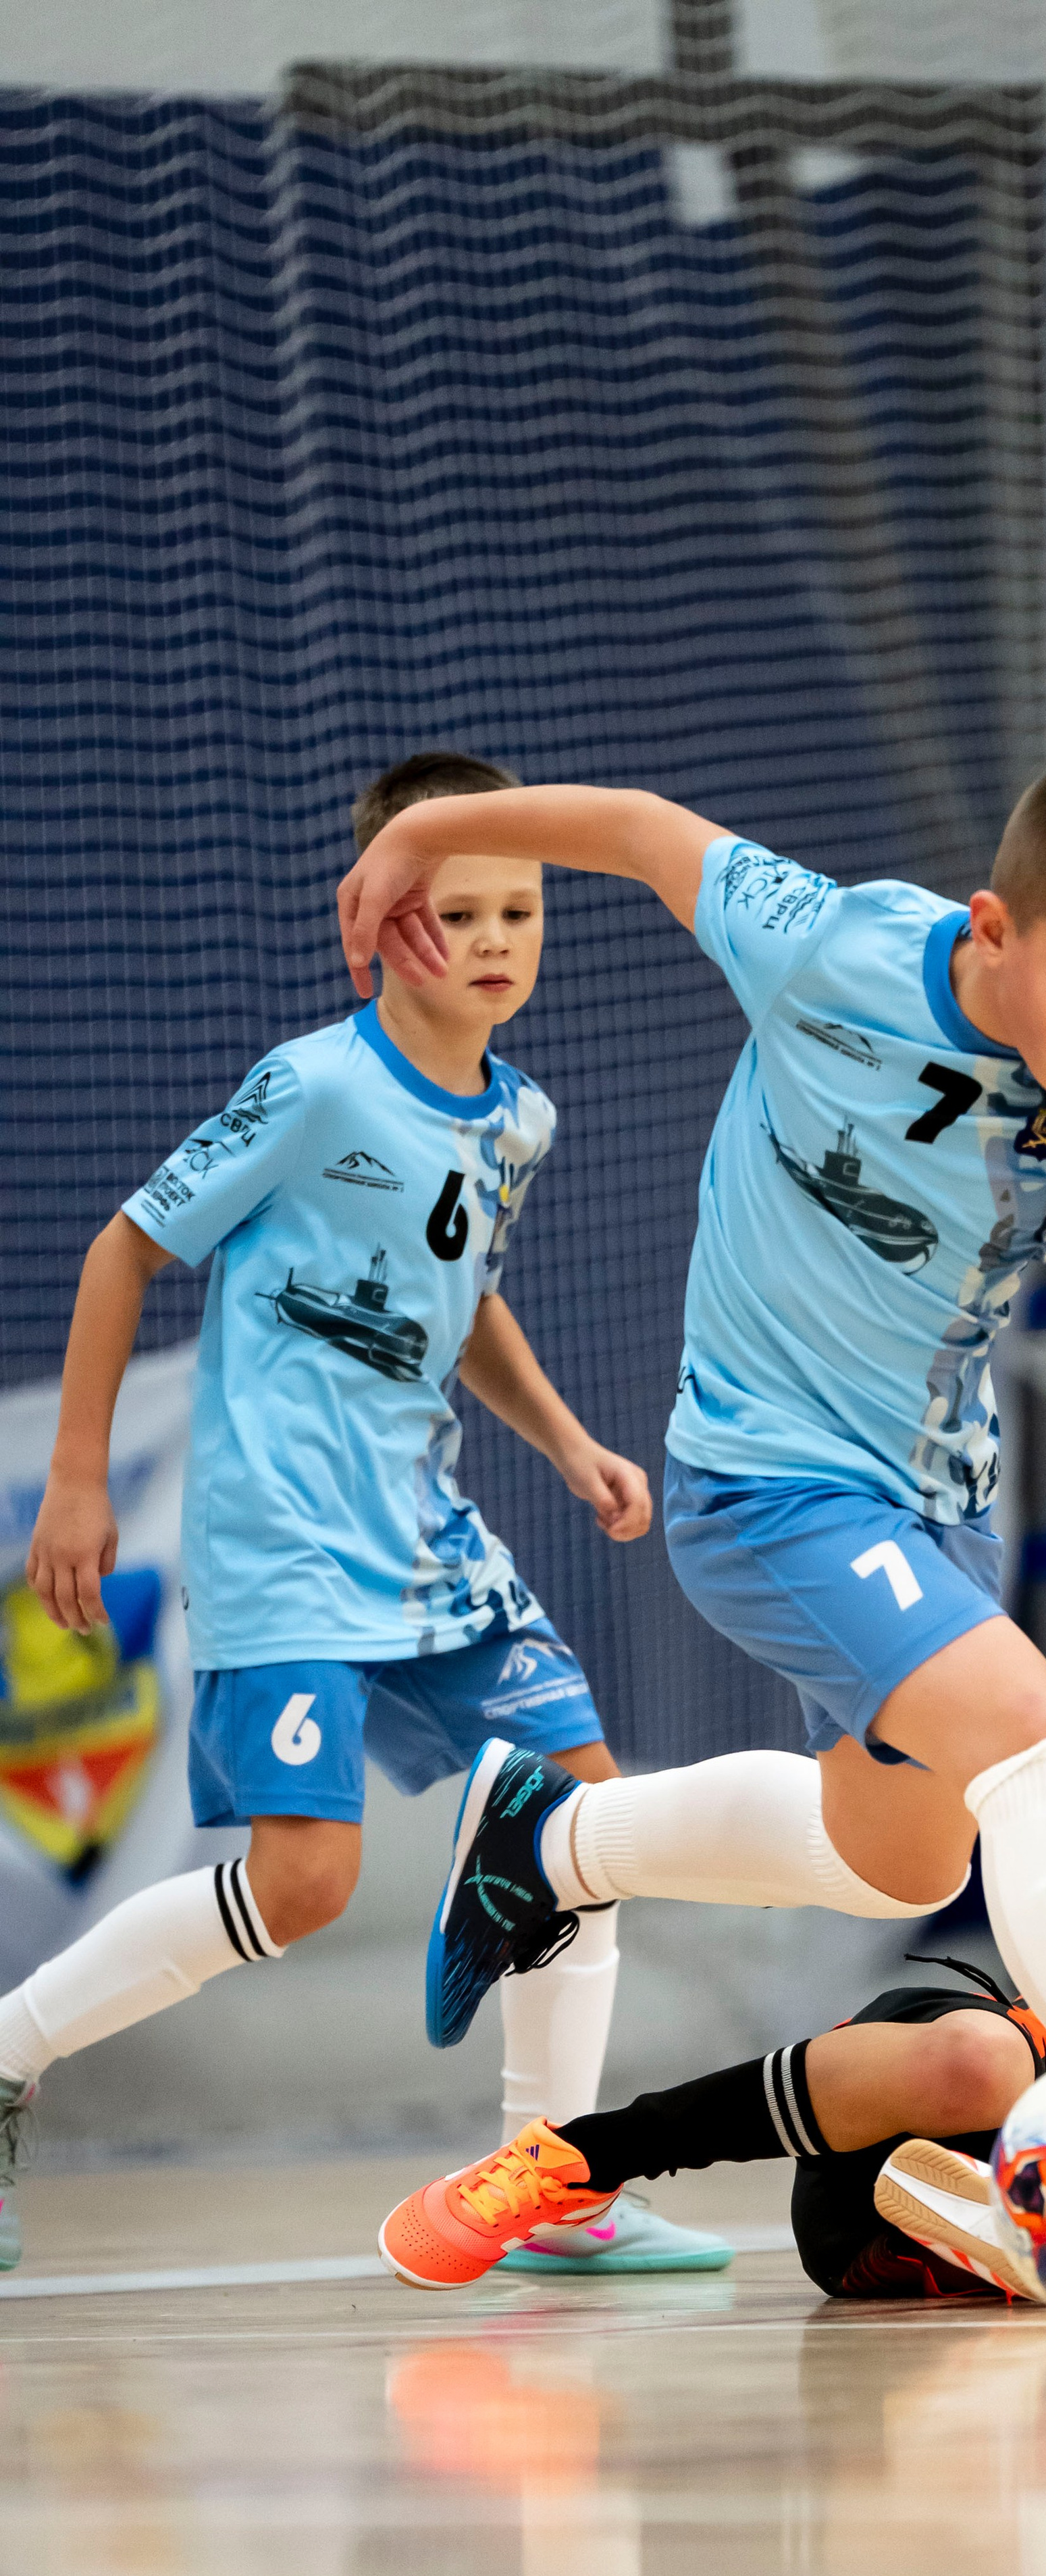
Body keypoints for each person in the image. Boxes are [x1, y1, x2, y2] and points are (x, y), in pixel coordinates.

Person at [336, 751, 1046, 2108]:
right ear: (992, 928)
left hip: (941, 1503)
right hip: (767, 1483)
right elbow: (647, 830)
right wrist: (434, 830)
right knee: (1040, 1748)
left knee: (903, 1858)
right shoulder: (829, 945)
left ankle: (553, 1843)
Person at [0, 752, 723, 2277]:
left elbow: (461, 1306)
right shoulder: (313, 1084)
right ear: (382, 916)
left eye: (519, 907)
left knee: (582, 1820)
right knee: (307, 1884)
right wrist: (77, 1479)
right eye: (456, 911)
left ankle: (552, 2185)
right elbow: (122, 1255)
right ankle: (9, 2053)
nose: (494, 939)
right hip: (283, 1545)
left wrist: (572, 1442)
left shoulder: (518, 1117)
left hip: (432, 1541)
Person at [377, 1780, 1046, 2296]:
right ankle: (578, 2156)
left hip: (865, 2253)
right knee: (1008, 2061)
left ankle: (1005, 2218)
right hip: (918, 2075)